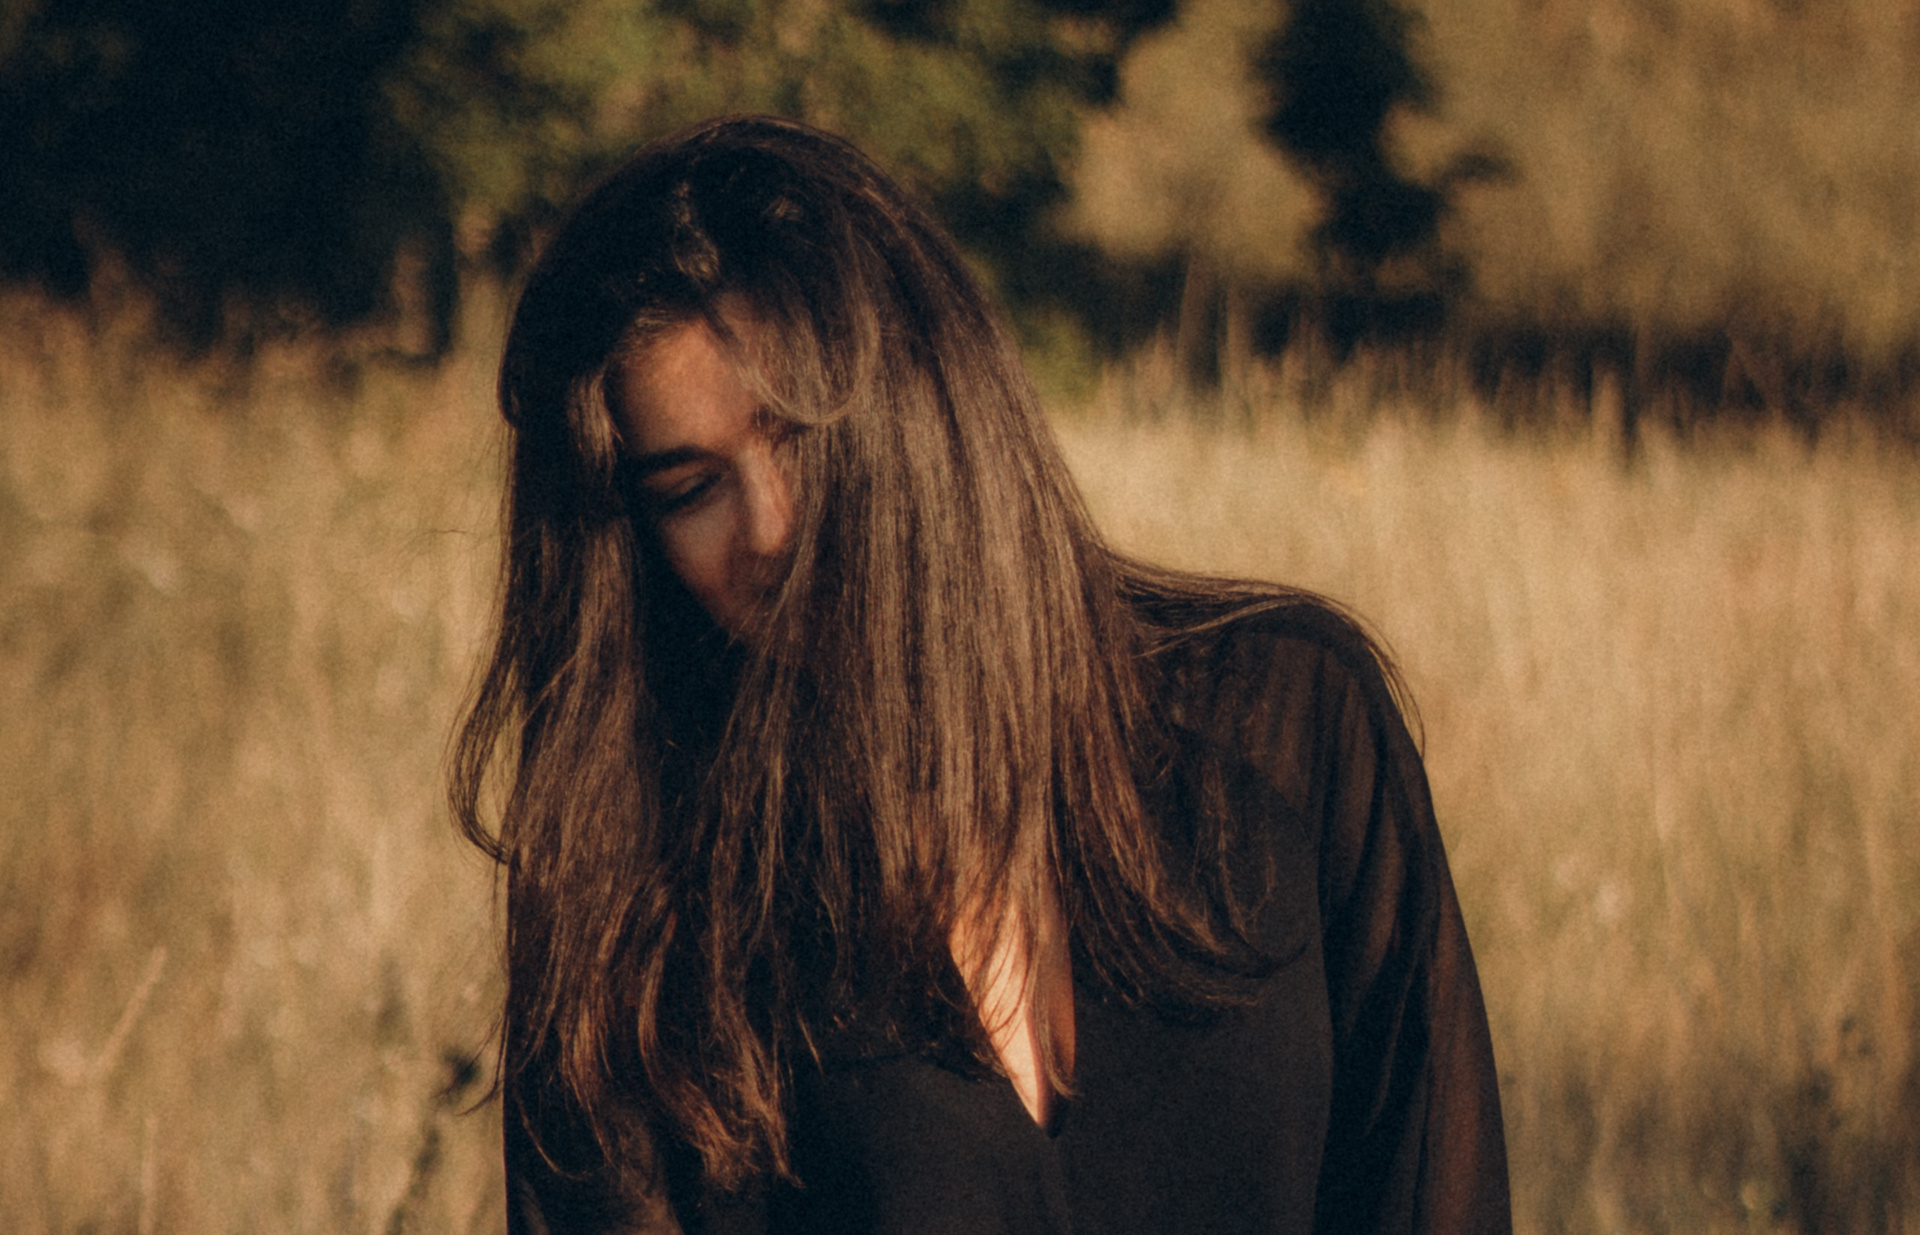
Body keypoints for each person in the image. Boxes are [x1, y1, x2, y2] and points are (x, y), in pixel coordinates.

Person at [452, 114, 1510, 1235]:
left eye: (800, 433)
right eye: (689, 489)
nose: (771, 528)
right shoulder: (642, 902)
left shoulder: (1289, 721)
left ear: (928, 406)